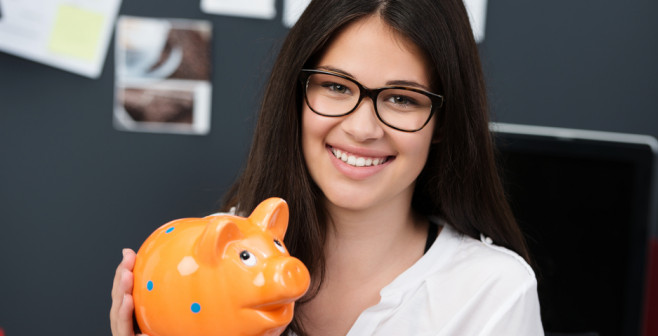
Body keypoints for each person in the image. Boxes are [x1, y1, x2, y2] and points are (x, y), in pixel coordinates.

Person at [111, 0, 544, 335]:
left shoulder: (492, 292)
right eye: (336, 86)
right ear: (296, 96)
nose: (362, 128)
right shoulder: (219, 255)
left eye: (402, 99)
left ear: (443, 122)